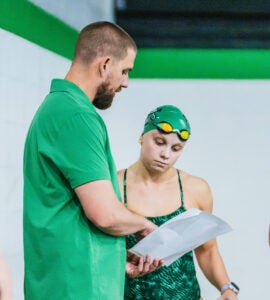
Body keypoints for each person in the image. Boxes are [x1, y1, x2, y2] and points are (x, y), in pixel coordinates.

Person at [23, 21, 161, 300]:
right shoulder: (76, 116)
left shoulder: (59, 109)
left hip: (73, 280)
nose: (125, 82)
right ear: (105, 64)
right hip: (76, 288)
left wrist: (113, 262)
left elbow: (69, 212)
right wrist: (145, 225)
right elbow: (104, 214)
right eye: (124, 71)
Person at [117, 105, 239, 300]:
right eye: (159, 142)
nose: (166, 154)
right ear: (142, 137)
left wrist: (227, 288)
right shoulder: (114, 188)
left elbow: (207, 250)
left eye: (176, 148)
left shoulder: (196, 189)